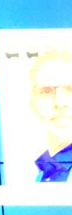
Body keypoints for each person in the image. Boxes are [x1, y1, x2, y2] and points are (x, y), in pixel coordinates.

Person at [29, 50, 72, 182]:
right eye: (47, 91)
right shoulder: (44, 169)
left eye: (70, 90)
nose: (60, 103)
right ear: (32, 101)